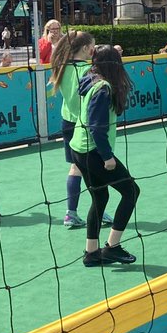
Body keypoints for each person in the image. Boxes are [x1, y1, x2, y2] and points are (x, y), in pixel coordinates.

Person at [71, 46, 140, 266]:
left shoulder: (90, 79)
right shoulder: (103, 88)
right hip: (93, 151)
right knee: (131, 191)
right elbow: (96, 127)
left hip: (79, 149)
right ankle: (113, 247)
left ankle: (91, 253)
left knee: (100, 197)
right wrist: (107, 157)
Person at [50, 30, 103, 229]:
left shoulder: (61, 67)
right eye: (92, 46)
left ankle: (72, 212)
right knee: (92, 168)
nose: (94, 49)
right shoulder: (87, 71)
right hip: (85, 123)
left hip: (68, 122)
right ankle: (92, 209)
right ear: (85, 48)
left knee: (76, 167)